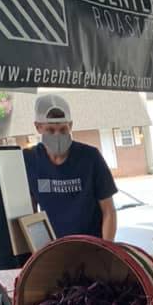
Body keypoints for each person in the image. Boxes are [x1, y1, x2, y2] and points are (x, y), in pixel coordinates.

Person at [23, 94, 117, 240]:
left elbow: (109, 211)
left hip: (91, 246)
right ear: (38, 127)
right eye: (50, 130)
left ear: (71, 126)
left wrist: (106, 250)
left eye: (63, 129)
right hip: (54, 248)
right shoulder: (29, 160)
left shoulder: (91, 157)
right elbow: (30, 215)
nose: (57, 135)